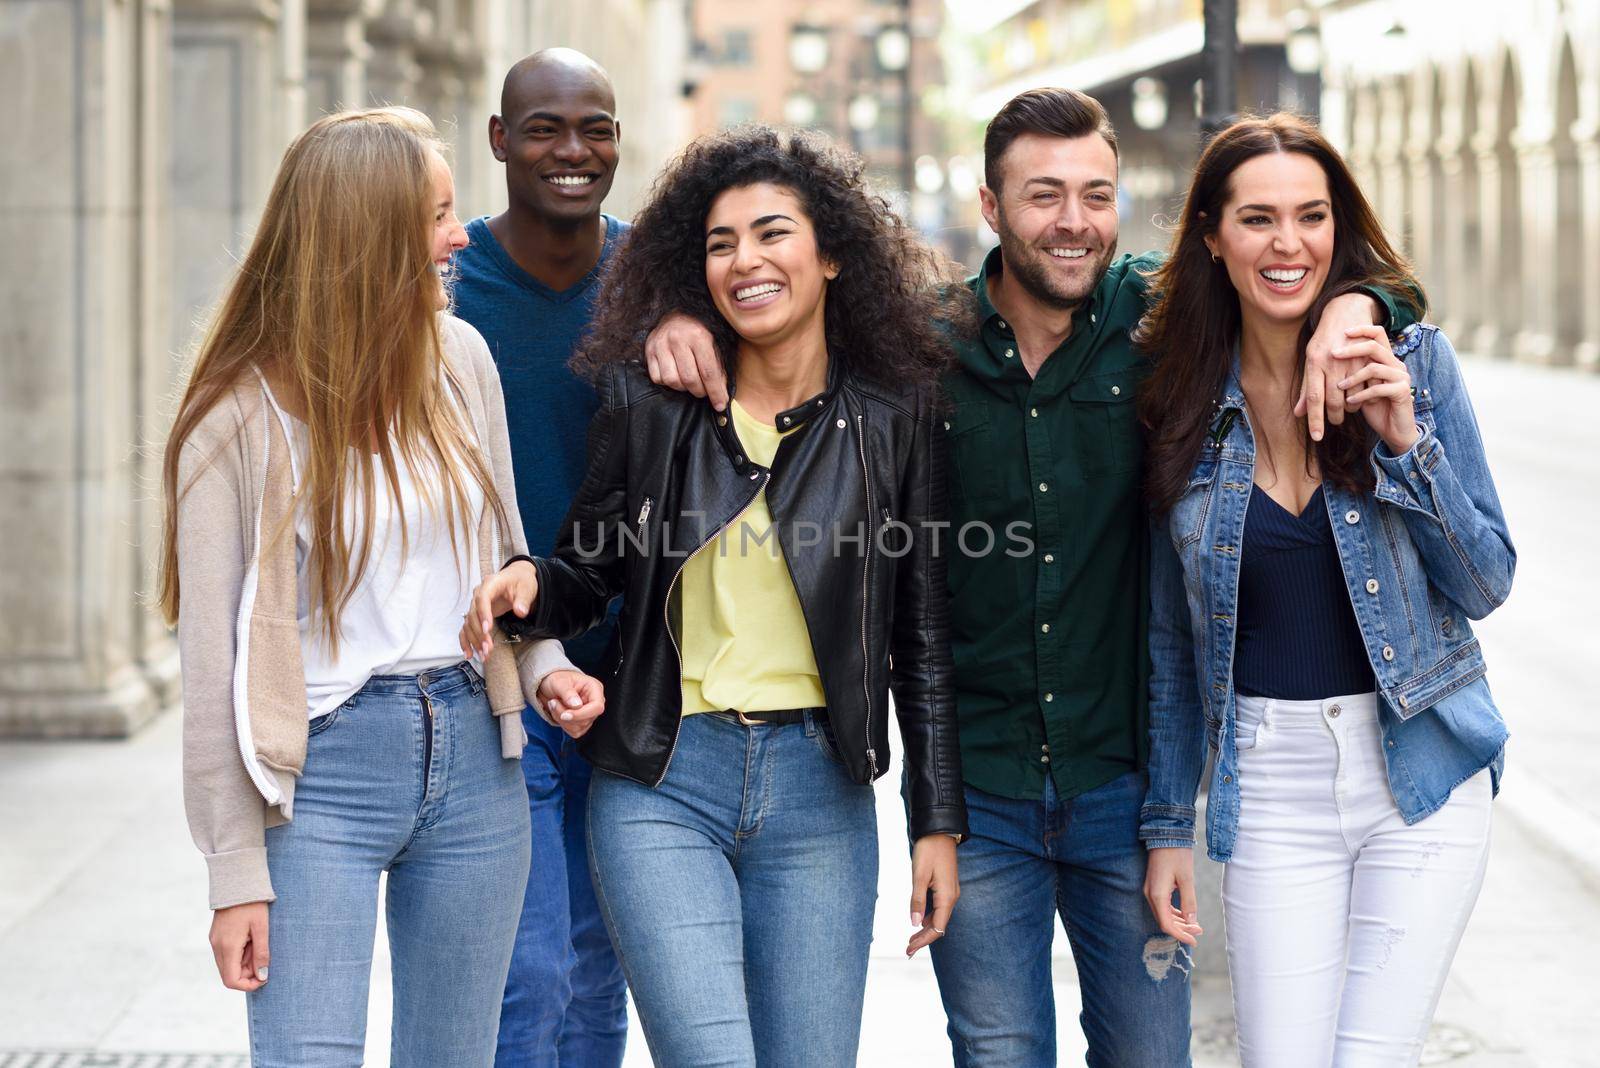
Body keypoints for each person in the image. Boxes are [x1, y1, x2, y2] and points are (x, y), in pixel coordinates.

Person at [643, 89, 1417, 1066]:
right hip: (982, 799)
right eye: (1043, 195)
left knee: (1148, 1055)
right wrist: (680, 319)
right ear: (990, 207)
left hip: (1126, 789)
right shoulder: (917, 347)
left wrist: (1357, 304)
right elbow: (773, 300)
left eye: (1095, 194)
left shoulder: (1161, 322)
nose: (1074, 221)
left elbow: (1327, 275)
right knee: (998, 1052)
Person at [460, 125, 969, 1068]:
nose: (746, 261)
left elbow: (921, 634)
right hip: (661, 781)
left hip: (821, 792)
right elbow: (590, 572)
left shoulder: (893, 419)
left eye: (773, 234)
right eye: (720, 243)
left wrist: (935, 821)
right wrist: (533, 592)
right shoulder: (654, 402)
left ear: (832, 258)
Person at [159, 106, 600, 1066]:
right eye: (438, 214)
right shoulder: (236, 421)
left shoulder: (462, 363)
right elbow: (210, 669)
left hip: (478, 761)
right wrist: (233, 872)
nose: (459, 235)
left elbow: (508, 561)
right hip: (320, 777)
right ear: (363, 232)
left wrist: (547, 667)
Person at [1138, 113, 1513, 1066]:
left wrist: (1403, 446)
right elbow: (1171, 645)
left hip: (1419, 767)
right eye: (1258, 219)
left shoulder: (1410, 361)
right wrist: (1167, 826)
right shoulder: (1173, 395)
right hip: (1270, 782)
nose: (1288, 243)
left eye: (1312, 217)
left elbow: (1485, 580)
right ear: (1213, 238)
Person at [448, 48, 630, 1067]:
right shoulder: (445, 285)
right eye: (545, 128)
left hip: (625, 679)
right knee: (528, 976)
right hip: (490, 681)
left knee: (597, 972)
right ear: (499, 140)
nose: (573, 150)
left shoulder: (658, 280)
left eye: (595, 128)